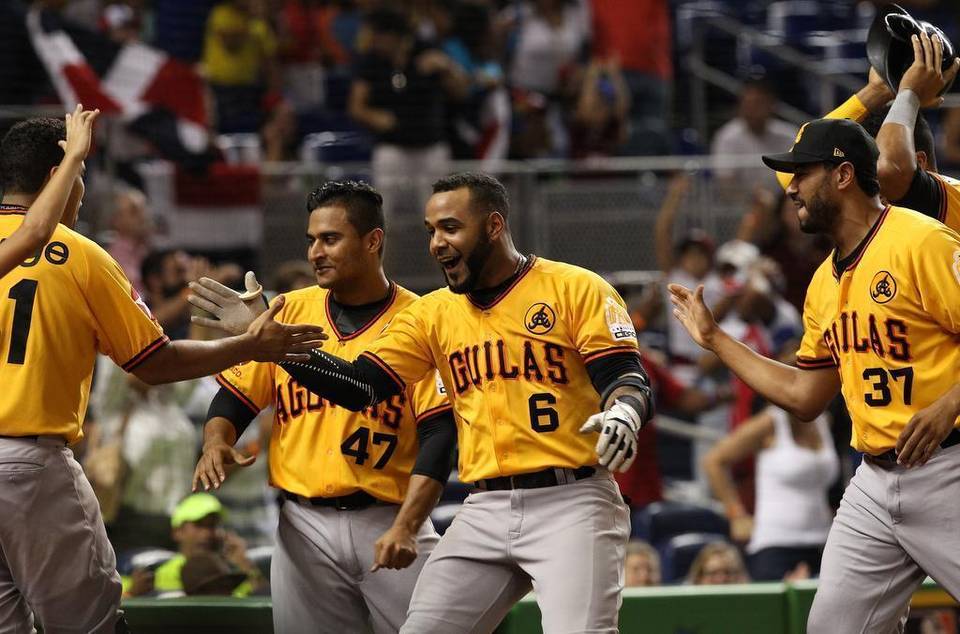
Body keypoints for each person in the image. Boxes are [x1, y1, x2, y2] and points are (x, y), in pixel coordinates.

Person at [190, 172, 653, 633]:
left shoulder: (576, 287)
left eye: (450, 228)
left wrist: (624, 412)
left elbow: (624, 374)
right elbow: (357, 385)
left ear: (494, 226)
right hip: (484, 506)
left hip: (572, 498)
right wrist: (267, 342)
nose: (436, 244)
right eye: (431, 231)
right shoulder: (432, 312)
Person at [0, 114, 325, 633]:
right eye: (78, 177)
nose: (83, 194)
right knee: (89, 624)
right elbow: (155, 362)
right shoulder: (80, 256)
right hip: (31, 464)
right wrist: (250, 346)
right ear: (58, 177)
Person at [669, 117, 960, 632]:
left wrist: (948, 404)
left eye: (802, 173)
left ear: (843, 175)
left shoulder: (922, 240)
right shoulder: (823, 283)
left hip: (950, 470)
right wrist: (715, 339)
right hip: (873, 480)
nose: (792, 187)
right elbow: (805, 395)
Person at [191, 181, 455, 634]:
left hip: (388, 515)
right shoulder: (289, 310)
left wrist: (409, 524)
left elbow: (439, 436)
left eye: (330, 239)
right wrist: (216, 441)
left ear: (373, 241)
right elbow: (235, 398)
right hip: (301, 523)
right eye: (311, 240)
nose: (316, 252)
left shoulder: (421, 318)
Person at [776, 31, 960, 227]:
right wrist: (878, 91)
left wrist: (909, 93)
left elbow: (889, 167)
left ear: (918, 164)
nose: (861, 185)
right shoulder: (880, 228)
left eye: (870, 172)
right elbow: (789, 175)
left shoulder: (953, 199)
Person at [703, 401, 838, 581]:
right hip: (775, 545)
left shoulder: (824, 422)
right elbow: (714, 461)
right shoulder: (770, 422)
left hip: (821, 542)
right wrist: (735, 513)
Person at [0, 105, 94, 280]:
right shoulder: (85, 256)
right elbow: (35, 232)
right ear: (56, 176)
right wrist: (72, 158)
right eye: (78, 175)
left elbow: (34, 233)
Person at [124, 493, 264, 598]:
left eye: (213, 526)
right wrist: (132, 595)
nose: (208, 533)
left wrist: (245, 564)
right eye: (199, 525)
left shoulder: (230, 574)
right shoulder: (153, 573)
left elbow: (264, 602)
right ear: (177, 531)